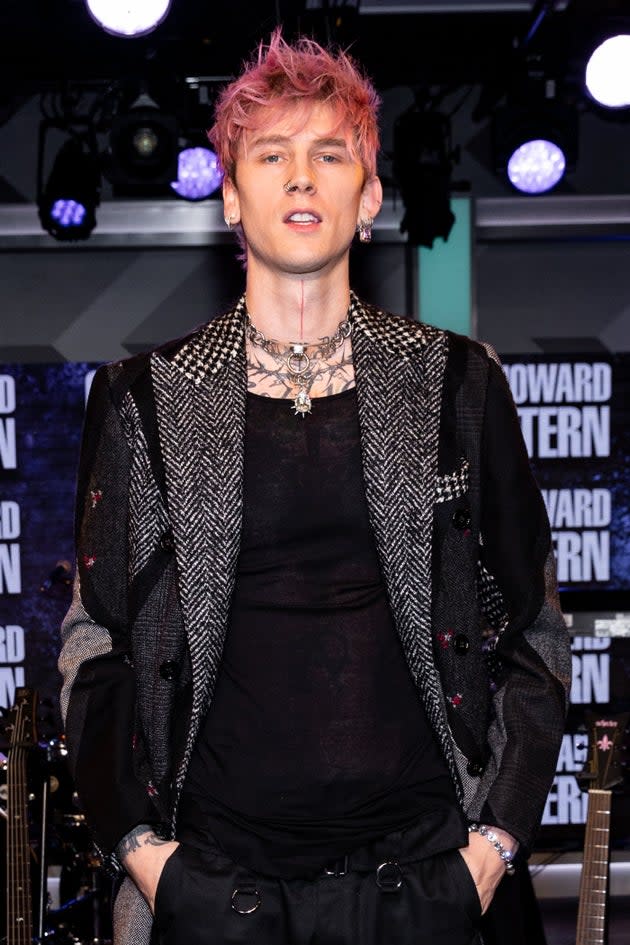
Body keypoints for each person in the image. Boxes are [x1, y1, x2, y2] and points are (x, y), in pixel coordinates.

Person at [58, 31, 571, 945]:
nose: (301, 176)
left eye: (330, 154)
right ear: (230, 196)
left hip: (428, 877)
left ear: (368, 197)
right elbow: (97, 642)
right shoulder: (144, 397)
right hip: (213, 886)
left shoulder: (458, 382)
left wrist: (494, 844)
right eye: (271, 155)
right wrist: (144, 852)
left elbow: (534, 629)